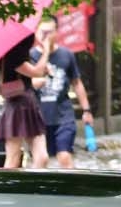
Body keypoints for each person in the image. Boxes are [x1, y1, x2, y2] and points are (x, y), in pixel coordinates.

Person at [34, 17, 94, 168]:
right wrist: (45, 54)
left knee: (64, 156)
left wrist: (86, 110)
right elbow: (32, 84)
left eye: (50, 32)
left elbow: (77, 83)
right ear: (36, 33)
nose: (46, 36)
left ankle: (73, 188)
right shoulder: (31, 56)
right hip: (39, 117)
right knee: (41, 159)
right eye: (43, 32)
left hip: (63, 115)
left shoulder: (66, 55)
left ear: (57, 33)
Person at [0, 43, 49, 169]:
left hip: (28, 104)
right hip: (17, 107)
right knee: (13, 158)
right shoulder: (12, 55)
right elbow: (37, 72)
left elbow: (27, 82)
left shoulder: (17, 55)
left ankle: (34, 186)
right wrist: (46, 50)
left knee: (42, 157)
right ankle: (7, 188)